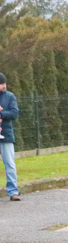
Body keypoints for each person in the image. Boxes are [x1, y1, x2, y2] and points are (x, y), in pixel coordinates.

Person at [0, 72, 22, 201]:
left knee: (9, 164)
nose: (3, 86)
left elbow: (14, 113)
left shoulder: (9, 97)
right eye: (1, 84)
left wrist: (1, 114)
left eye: (3, 83)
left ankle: (13, 191)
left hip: (6, 135)